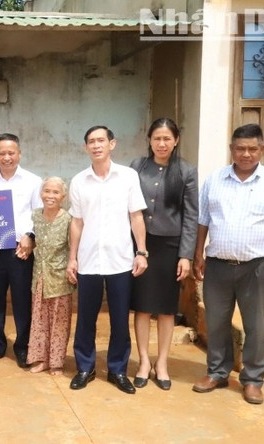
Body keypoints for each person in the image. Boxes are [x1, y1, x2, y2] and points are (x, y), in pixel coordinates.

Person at [192, 123, 264, 405]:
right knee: (216, 322)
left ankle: (253, 380)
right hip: (217, 264)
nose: (246, 154)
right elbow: (203, 221)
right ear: (231, 149)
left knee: (256, 326)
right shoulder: (214, 180)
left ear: (262, 149)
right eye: (240, 148)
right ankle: (217, 372)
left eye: (253, 148)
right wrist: (198, 255)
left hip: (258, 267)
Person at [66, 125, 148, 395]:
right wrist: (72, 258)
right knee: (85, 318)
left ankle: (117, 369)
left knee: (120, 318)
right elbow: (76, 222)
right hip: (88, 260)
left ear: (112, 144)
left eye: (101, 140)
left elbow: (136, 216)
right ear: (85, 147)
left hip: (121, 260)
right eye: (91, 141)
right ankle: (85, 367)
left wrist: (142, 251)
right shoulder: (79, 181)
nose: (97, 145)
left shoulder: (127, 176)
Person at [129, 118, 198, 391]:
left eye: (167, 138)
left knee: (167, 309)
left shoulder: (186, 171)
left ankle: (163, 363)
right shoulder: (137, 167)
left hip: (171, 247)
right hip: (141, 245)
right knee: (143, 306)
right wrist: (135, 247)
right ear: (149, 140)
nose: (161, 143)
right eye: (157, 138)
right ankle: (144, 361)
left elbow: (191, 216)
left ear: (176, 140)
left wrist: (186, 255)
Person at [0, 133, 42, 367]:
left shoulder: (33, 181)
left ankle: (22, 347)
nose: (7, 157)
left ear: (19, 154)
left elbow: (40, 215)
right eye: (1, 153)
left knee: (23, 300)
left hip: (20, 250)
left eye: (11, 153)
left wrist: (31, 237)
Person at [27, 177, 76, 376]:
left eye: (56, 193)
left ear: (63, 197)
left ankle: (56, 363)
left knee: (59, 321)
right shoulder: (35, 215)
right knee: (39, 319)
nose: (50, 196)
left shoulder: (68, 219)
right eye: (47, 191)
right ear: (41, 194)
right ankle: (41, 359)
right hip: (39, 275)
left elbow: (73, 246)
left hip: (59, 276)